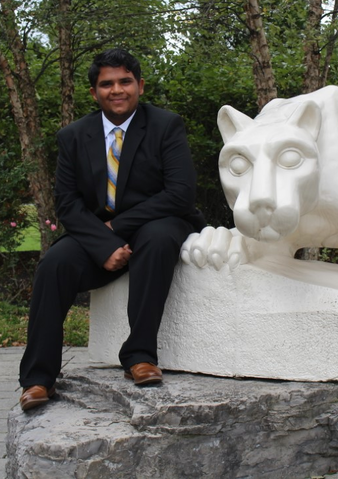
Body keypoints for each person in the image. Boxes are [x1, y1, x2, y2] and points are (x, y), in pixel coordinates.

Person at [18, 48, 205, 410]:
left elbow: (180, 194)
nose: (116, 90)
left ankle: (139, 356)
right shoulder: (73, 136)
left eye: (125, 81)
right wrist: (104, 245)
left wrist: (116, 228)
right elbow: (67, 203)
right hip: (98, 232)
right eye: (107, 84)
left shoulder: (166, 125)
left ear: (140, 86)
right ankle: (38, 379)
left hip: (159, 220)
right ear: (94, 93)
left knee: (156, 239)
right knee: (54, 265)